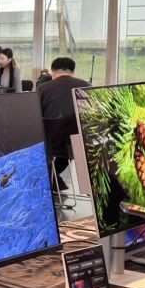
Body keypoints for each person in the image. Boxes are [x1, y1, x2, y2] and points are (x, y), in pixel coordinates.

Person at [37, 57, 89, 189]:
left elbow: (35, 116)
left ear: (52, 72)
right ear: (73, 72)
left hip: (52, 144)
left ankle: (46, 182)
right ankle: (55, 182)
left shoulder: (43, 88)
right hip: (81, 144)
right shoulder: (86, 86)